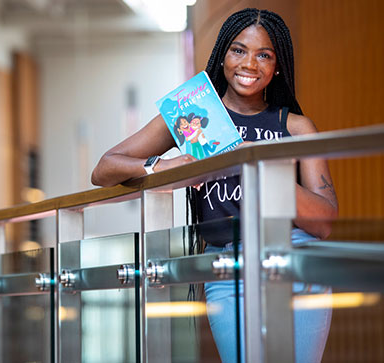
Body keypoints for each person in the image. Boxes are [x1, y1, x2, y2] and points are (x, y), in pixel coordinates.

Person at [91, 8, 338, 363]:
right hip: (225, 265)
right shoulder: (192, 117)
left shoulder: (296, 126)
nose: (250, 64)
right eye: (239, 50)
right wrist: (169, 165)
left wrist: (263, 166)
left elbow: (325, 222)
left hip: (295, 258)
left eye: (264, 55)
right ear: (222, 54)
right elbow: (104, 169)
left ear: (278, 65)